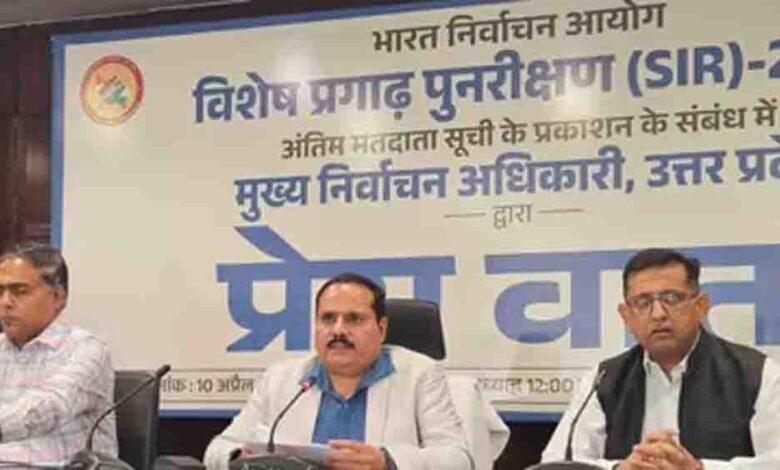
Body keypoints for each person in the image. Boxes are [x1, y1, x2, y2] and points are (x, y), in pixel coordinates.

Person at [205, 272, 473, 470]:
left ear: (381, 329)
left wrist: (387, 462)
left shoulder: (420, 375)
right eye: (328, 318)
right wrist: (240, 459)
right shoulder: (280, 379)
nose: (338, 330)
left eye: (354, 319)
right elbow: (218, 449)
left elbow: (457, 460)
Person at [542, 248, 780, 469]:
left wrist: (700, 468)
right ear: (626, 315)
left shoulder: (757, 375)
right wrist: (620, 468)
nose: (658, 314)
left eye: (671, 298)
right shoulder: (603, 379)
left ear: (700, 306)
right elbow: (558, 463)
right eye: (643, 302)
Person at [0, 242, 117, 464]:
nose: (5, 302)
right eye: (0, 292)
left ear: (58, 298)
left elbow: (49, 408)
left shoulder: (87, 349)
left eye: (20, 291)